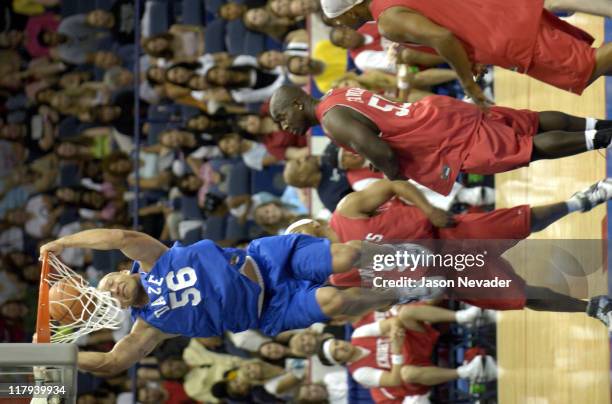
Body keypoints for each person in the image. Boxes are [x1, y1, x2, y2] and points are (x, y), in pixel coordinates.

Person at [39, 229, 438, 376]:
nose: (114, 290)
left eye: (111, 281)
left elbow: (117, 237)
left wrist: (63, 243)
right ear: (118, 309)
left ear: (124, 271)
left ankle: (404, 255)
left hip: (264, 259)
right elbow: (112, 363)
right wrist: (54, 357)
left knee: (348, 257)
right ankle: (401, 292)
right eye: (110, 296)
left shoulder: (153, 257)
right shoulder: (151, 326)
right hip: (270, 309)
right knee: (334, 301)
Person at [284, 178, 612, 326]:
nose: (299, 248)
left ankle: (579, 201)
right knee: (519, 296)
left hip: (445, 232)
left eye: (297, 236)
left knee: (521, 221)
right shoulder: (337, 276)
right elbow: (373, 298)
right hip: (445, 273)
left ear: (312, 225)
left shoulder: (347, 210)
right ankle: (593, 308)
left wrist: (428, 209)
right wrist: (404, 295)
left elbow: (395, 185)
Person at [270, 85, 612, 196]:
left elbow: (379, 148)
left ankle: (604, 138)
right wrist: (380, 151)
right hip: (435, 113)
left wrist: (393, 174)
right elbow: (378, 129)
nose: (286, 127)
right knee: (530, 121)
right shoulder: (336, 94)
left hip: (441, 137)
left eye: (283, 117)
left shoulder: (331, 120)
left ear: (298, 103)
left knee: (527, 148)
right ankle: (603, 125)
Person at [319, 0, 612, 108]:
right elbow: (451, 20)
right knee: (593, 64)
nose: (341, 25)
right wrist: (473, 56)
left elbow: (442, 37)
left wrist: (468, 84)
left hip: (506, 36)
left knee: (586, 68)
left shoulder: (386, 20)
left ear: (351, 8)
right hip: (503, 14)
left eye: (338, 20)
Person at [320, 304, 497, 402]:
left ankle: (466, 317)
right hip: (414, 370)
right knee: (406, 373)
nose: (341, 347)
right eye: (337, 353)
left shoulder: (358, 334)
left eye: (337, 343)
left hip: (414, 342)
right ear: (339, 361)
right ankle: (468, 372)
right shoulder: (359, 373)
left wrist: (394, 331)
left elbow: (393, 322)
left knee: (406, 313)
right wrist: (396, 350)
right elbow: (394, 380)